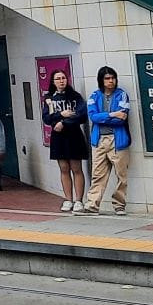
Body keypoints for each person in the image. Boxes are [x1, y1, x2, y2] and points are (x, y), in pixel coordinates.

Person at [81, 67, 131, 215]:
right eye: (107, 79)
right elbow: (93, 117)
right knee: (98, 174)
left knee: (121, 175)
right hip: (99, 140)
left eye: (113, 78)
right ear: (101, 80)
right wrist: (112, 114)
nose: (111, 81)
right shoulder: (94, 96)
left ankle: (119, 205)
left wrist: (106, 117)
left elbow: (121, 119)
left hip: (118, 139)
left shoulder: (122, 95)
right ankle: (92, 205)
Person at [42, 70, 90, 212]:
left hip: (74, 135)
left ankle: (79, 200)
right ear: (53, 81)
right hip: (58, 137)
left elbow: (81, 115)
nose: (61, 81)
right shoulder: (49, 98)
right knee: (64, 168)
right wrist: (60, 114)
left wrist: (64, 122)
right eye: (58, 78)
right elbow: (47, 118)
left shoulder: (75, 97)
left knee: (76, 168)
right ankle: (68, 199)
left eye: (63, 78)